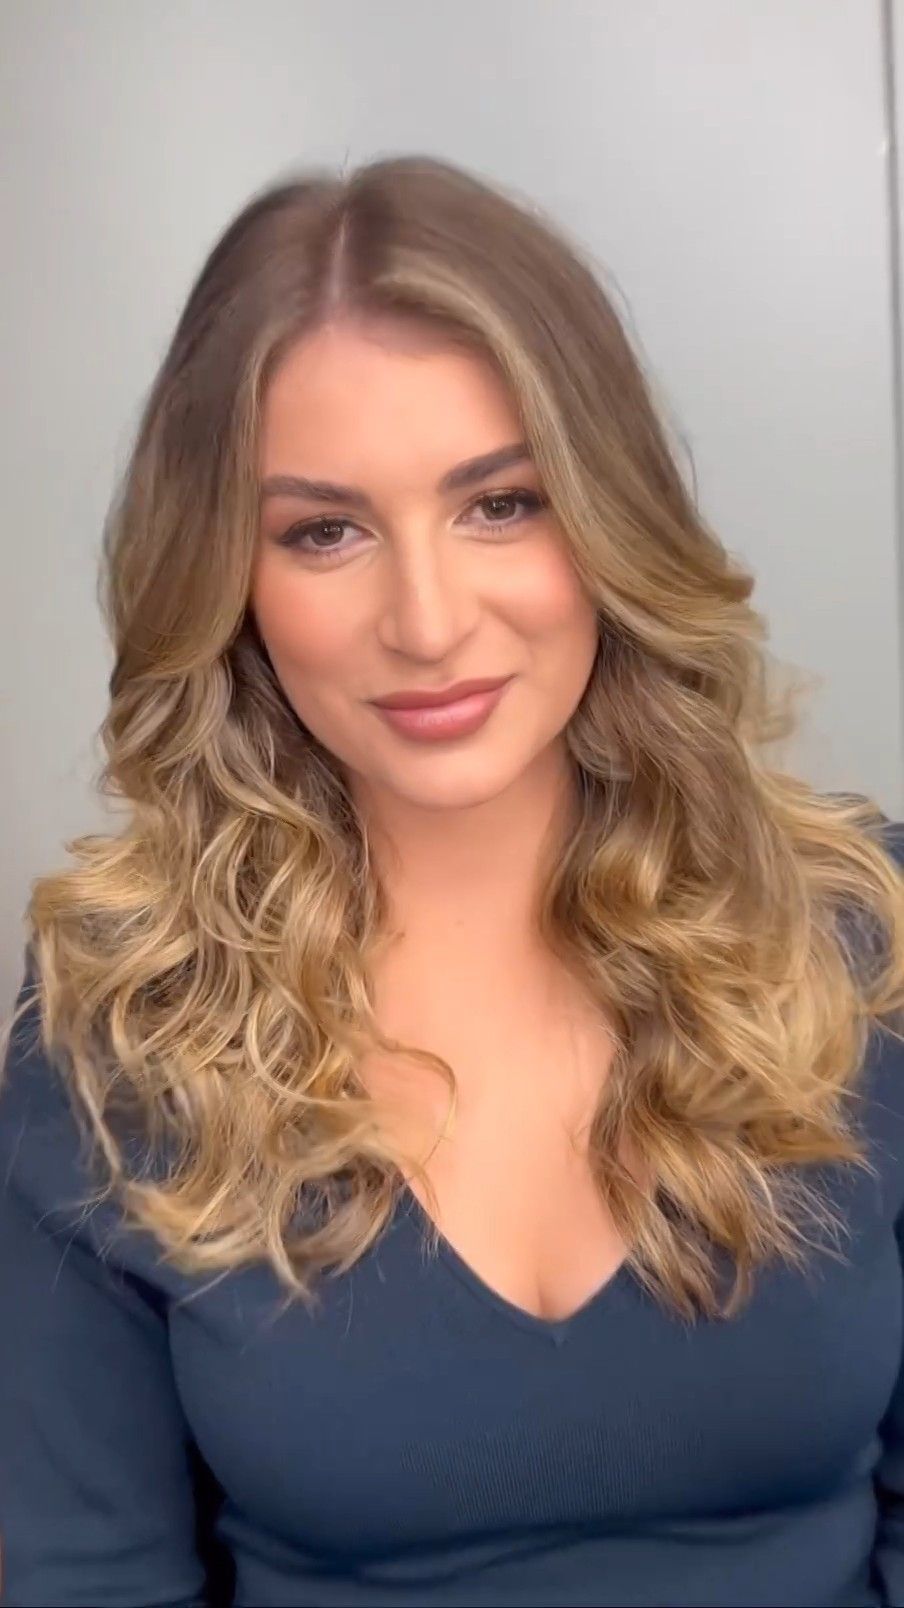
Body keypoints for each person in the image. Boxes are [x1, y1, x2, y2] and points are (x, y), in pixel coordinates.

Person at [2, 153, 904, 1608]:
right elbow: (91, 1581)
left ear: (606, 518)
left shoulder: (865, 931)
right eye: (325, 531)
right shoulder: (119, 1029)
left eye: (502, 503)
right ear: (228, 575)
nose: (425, 621)